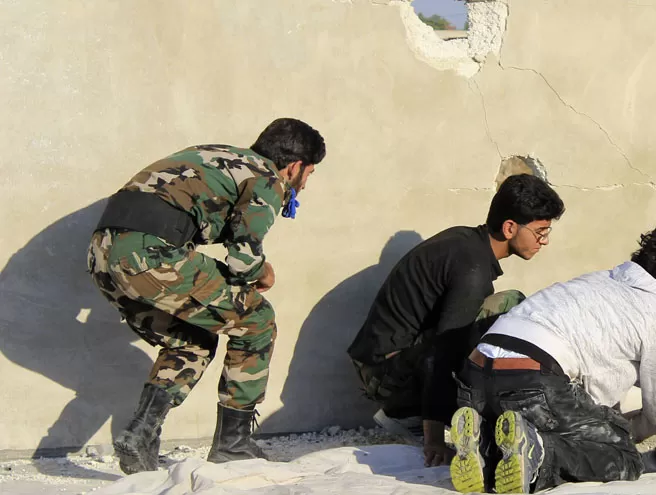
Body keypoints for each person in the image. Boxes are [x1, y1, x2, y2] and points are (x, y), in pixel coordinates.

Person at [86, 118, 326, 474]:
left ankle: (140, 437)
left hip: (103, 255)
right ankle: (233, 444)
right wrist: (264, 272)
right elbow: (245, 259)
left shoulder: (216, 154)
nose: (305, 183)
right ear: (295, 165)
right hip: (149, 253)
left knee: (192, 338)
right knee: (257, 320)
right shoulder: (267, 177)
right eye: (309, 173)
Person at [448, 222, 656, 495]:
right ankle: (540, 454)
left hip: (474, 378)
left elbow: (595, 377)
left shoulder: (600, 281)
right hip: (531, 382)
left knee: (564, 423)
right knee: (622, 455)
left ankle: (485, 444)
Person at [348, 173, 566, 467]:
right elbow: (442, 354)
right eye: (540, 232)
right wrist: (435, 441)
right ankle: (404, 413)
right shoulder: (471, 270)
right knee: (503, 317)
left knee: (505, 313)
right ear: (510, 227)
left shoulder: (467, 243)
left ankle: (410, 410)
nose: (544, 241)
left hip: (393, 365)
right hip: (388, 378)